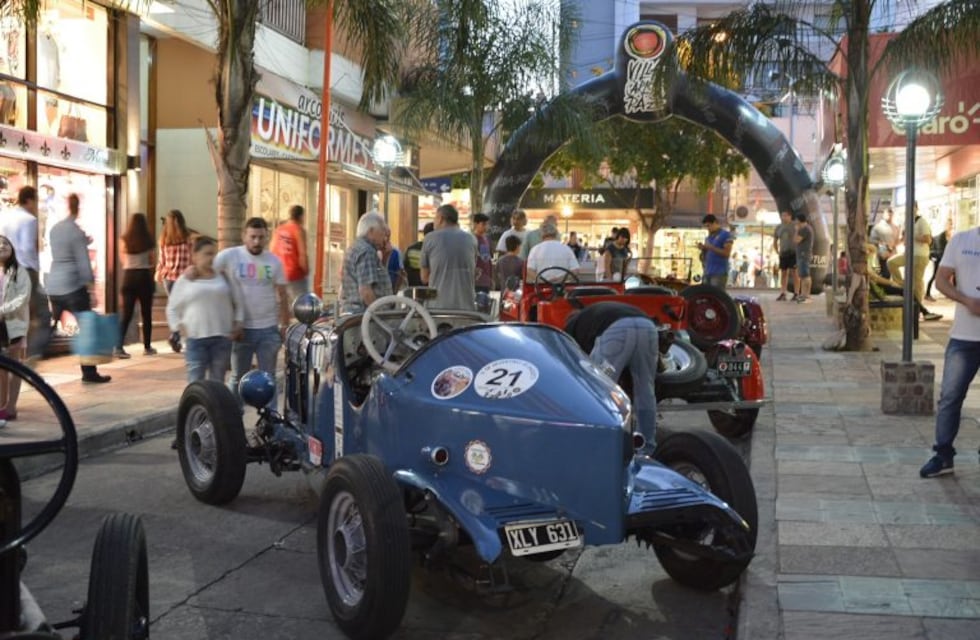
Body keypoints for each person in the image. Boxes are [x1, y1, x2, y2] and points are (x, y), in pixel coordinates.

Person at [919, 225, 980, 478]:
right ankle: (943, 455)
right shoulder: (961, 240)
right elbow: (942, 279)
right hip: (963, 337)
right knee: (950, 397)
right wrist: (966, 300)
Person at [213, 217, 289, 409]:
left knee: (268, 378)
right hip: (242, 329)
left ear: (266, 237)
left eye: (261, 237)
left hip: (268, 329)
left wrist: (284, 324)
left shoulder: (274, 262)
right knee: (238, 377)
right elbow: (207, 273)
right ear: (244, 236)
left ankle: (271, 422)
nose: (256, 241)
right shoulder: (228, 256)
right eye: (253, 237)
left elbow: (282, 294)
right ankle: (233, 418)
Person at [564, 301, 658, 451]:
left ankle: (599, 443)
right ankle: (646, 447)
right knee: (645, 388)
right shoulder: (597, 314)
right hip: (648, 327)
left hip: (616, 333)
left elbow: (568, 359)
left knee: (598, 390)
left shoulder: (572, 327)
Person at [46, 193, 110, 383]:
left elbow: (60, 252)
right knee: (87, 329)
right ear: (77, 208)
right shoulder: (76, 232)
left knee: (51, 326)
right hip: (73, 286)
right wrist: (91, 286)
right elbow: (83, 262)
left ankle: (33, 356)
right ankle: (89, 372)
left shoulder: (55, 229)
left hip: (55, 285)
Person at [166, 236, 243, 383]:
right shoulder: (185, 280)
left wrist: (238, 323)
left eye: (214, 253)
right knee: (196, 382)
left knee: (218, 382)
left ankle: (215, 407)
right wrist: (177, 327)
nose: (212, 258)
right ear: (195, 256)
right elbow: (172, 308)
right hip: (196, 339)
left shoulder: (224, 277)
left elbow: (238, 302)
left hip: (221, 338)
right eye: (207, 253)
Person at [0, 186, 50, 362]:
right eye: (36, 201)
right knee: (43, 314)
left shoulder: (6, 217)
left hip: (9, 270)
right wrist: (36, 271)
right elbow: (28, 248)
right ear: (29, 200)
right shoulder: (29, 220)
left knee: (17, 314)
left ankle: (13, 352)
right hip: (26, 270)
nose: (36, 205)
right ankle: (31, 355)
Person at [887, 204, 942, 322]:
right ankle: (902, 284)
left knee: (917, 283)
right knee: (891, 263)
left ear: (916, 208)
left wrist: (914, 237)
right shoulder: (907, 222)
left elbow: (928, 239)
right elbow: (904, 239)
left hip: (920, 255)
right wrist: (895, 244)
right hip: (908, 254)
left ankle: (917, 309)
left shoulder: (921, 222)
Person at [114, 213, 157, 358]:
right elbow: (152, 260)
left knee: (126, 313)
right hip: (144, 276)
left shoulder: (124, 239)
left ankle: (118, 346)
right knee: (146, 313)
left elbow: (122, 259)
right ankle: (147, 346)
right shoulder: (149, 240)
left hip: (129, 277)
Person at [421, 204, 477, 310]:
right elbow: (473, 271)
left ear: (441, 218)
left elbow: (424, 278)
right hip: (467, 307)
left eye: (435, 218)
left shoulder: (430, 238)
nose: (434, 223)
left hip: (438, 307)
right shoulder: (472, 239)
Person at [0, 236, 31, 422]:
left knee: (15, 367)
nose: (2, 246)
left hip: (13, 325)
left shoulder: (20, 272)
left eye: (5, 243)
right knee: (2, 369)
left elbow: (23, 298)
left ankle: (11, 406)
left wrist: (2, 311)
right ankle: (2, 407)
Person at [339, 211, 392, 314]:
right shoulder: (367, 251)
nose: (384, 235)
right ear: (371, 231)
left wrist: (385, 255)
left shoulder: (356, 247)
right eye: (382, 230)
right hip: (363, 316)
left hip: (353, 311)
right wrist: (380, 315)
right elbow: (366, 292)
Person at [157, 209, 193, 353]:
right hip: (182, 277)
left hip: (171, 277)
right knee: (182, 309)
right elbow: (191, 257)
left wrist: (159, 272)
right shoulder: (188, 237)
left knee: (175, 308)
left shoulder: (164, 238)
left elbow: (162, 260)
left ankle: (176, 334)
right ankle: (179, 336)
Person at [270, 204, 309, 304]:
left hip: (280, 274)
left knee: (281, 306)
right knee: (301, 308)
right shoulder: (298, 230)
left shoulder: (279, 230)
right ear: (301, 216)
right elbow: (302, 254)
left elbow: (272, 250)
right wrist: (306, 271)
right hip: (295, 275)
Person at [697, 214, 733, 289]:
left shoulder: (726, 235)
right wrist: (703, 249)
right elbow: (705, 256)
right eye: (706, 226)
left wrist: (710, 247)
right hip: (707, 272)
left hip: (719, 273)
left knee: (717, 296)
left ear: (715, 223)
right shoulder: (708, 238)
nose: (708, 228)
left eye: (709, 226)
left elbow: (726, 253)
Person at [925, 218, 952, 301]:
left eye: (951, 224)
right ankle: (927, 294)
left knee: (949, 276)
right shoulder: (941, 237)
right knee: (934, 276)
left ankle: (948, 293)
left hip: (946, 259)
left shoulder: (950, 236)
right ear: (946, 225)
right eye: (949, 224)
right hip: (939, 259)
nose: (951, 226)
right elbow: (940, 250)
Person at [870, 208, 900, 279]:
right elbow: (872, 240)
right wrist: (882, 245)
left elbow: (897, 240)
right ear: (884, 215)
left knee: (894, 276)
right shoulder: (877, 227)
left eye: (891, 214)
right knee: (885, 275)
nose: (890, 216)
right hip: (882, 255)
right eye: (888, 214)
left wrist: (893, 246)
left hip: (893, 255)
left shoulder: (896, 227)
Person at [404, 222, 433, 287]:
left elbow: (405, 267)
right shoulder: (435, 251)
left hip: (413, 288)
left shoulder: (411, 248)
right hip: (430, 289)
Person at [793, 213, 814, 303]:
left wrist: (796, 230)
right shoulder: (806, 229)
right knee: (802, 275)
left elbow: (796, 240)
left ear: (799, 220)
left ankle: (807, 295)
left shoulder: (804, 229)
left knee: (805, 275)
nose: (795, 223)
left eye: (796, 221)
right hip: (802, 254)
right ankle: (803, 294)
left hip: (804, 254)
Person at [472, 213, 493, 295]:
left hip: (486, 280)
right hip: (476, 281)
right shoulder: (472, 239)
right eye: (483, 224)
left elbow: (487, 259)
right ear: (475, 224)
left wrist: (490, 278)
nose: (486, 227)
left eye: (487, 224)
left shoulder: (486, 239)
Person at [382, 228, 406, 292]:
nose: (386, 238)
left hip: (391, 287)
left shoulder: (395, 251)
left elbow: (400, 272)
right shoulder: (374, 250)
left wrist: (395, 290)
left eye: (388, 236)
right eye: (384, 235)